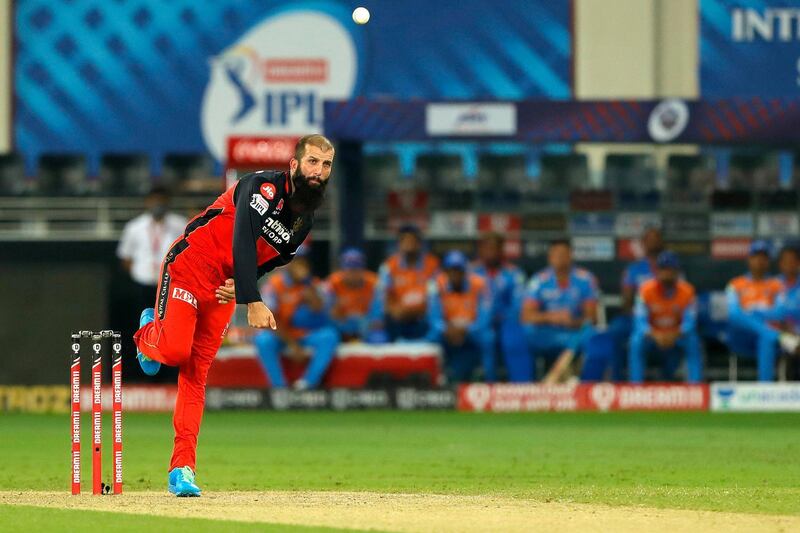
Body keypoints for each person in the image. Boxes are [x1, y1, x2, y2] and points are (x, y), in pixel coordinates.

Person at [133, 134, 335, 496]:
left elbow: (270, 259)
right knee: (177, 352)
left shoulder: (304, 222)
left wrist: (239, 285)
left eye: (326, 165)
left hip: (223, 289)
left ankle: (182, 469)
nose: (319, 171)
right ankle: (149, 332)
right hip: (189, 265)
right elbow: (243, 236)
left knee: (195, 375)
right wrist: (251, 298)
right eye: (313, 162)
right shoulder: (260, 187)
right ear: (294, 165)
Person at [253, 247, 339, 389]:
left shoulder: (313, 283)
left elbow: (321, 310)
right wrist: (293, 345)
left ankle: (307, 384)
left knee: (329, 336)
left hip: (305, 333)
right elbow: (270, 319)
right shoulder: (274, 285)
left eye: (303, 262)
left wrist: (308, 285)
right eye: (297, 261)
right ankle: (279, 387)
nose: (301, 266)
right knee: (263, 340)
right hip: (282, 333)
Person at [518, 239, 600, 383]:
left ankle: (587, 390)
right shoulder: (539, 280)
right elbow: (526, 316)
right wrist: (551, 317)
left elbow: (592, 318)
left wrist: (572, 321)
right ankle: (524, 388)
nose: (560, 259)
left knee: (596, 339)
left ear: (571, 256)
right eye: (556, 255)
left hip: (574, 333)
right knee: (519, 335)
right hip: (546, 333)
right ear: (549, 257)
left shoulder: (585, 279)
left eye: (563, 254)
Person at [629, 251, 702, 383]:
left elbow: (690, 322)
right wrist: (654, 334)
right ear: (657, 271)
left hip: (676, 334)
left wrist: (675, 334)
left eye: (670, 269)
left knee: (693, 340)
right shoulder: (645, 290)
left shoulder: (687, 291)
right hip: (653, 335)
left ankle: (695, 387)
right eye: (663, 269)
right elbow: (639, 321)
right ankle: (636, 387)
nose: (667, 273)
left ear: (677, 272)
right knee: (636, 340)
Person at [117, 186, 187, 316]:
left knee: (168, 319)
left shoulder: (181, 225)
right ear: (147, 202)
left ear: (168, 202)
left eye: (161, 201)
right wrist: (138, 273)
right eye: (154, 201)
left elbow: (187, 254)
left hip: (170, 282)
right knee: (143, 319)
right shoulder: (134, 227)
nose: (158, 204)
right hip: (142, 282)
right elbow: (125, 257)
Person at [427, 250, 494, 383]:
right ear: (445, 272)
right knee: (431, 338)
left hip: (471, 330)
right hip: (447, 330)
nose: (455, 274)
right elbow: (433, 317)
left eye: (458, 270)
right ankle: (433, 383)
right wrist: (446, 329)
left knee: (488, 337)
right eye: (451, 270)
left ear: (465, 271)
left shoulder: (479, 284)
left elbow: (485, 317)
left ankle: (489, 381)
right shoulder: (436, 284)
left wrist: (466, 329)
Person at [607, 226, 663, 380]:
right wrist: (639, 313)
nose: (653, 243)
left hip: (664, 318)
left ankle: (670, 381)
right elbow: (626, 302)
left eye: (656, 239)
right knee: (616, 329)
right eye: (649, 239)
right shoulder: (634, 269)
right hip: (636, 317)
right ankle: (616, 381)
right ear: (643, 244)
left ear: (662, 242)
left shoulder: (670, 267)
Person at [470, 232, 527, 382]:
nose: (490, 252)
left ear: (502, 250)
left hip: (505, 322)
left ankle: (520, 386)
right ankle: (490, 383)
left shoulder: (514, 273)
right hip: (476, 323)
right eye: (487, 248)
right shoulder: (470, 272)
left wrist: (499, 317)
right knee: (486, 335)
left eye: (494, 248)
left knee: (514, 335)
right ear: (480, 250)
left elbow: (517, 305)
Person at [725, 240, 785, 381]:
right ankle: (770, 333)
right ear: (749, 259)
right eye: (756, 256)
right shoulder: (735, 284)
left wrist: (755, 312)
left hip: (766, 336)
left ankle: (765, 389)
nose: (760, 261)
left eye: (764, 257)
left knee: (766, 337)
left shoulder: (777, 285)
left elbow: (780, 312)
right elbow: (733, 312)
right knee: (736, 315)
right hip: (741, 335)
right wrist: (762, 319)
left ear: (769, 261)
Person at [369, 225, 440, 341]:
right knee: (382, 328)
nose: (409, 245)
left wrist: (416, 310)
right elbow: (381, 295)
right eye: (405, 241)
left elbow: (436, 296)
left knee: (435, 327)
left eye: (412, 241)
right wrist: (394, 310)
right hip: (397, 319)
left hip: (422, 318)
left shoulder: (432, 265)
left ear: (419, 244)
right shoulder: (389, 266)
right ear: (399, 244)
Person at [326, 248, 378, 341]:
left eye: (356, 269)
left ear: (362, 269)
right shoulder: (333, 283)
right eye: (350, 270)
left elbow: (378, 315)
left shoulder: (373, 283)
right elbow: (330, 315)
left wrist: (365, 323)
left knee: (377, 337)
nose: (353, 274)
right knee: (330, 334)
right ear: (342, 270)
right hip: (341, 325)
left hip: (366, 325)